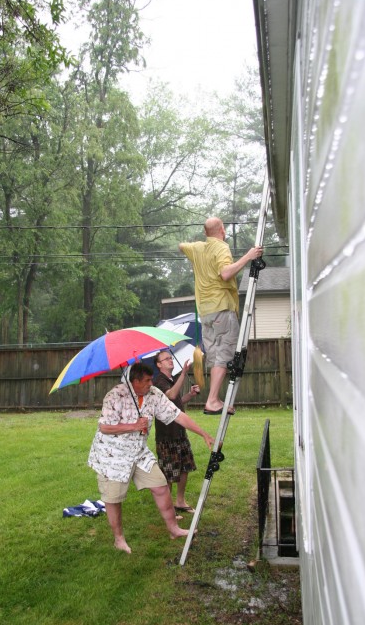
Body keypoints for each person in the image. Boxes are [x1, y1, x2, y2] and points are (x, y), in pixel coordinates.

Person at [88, 362, 214, 554]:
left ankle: (173, 529)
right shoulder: (115, 395)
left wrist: (203, 433)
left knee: (161, 486)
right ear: (135, 381)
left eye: (151, 379)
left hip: (139, 452)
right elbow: (104, 427)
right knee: (113, 498)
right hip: (112, 456)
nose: (150, 383)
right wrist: (133, 426)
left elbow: (177, 415)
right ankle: (119, 539)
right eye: (146, 381)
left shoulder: (154, 394)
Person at [179, 217, 263, 414]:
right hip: (221, 308)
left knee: (216, 356)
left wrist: (197, 248)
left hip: (205, 312)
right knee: (224, 355)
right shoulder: (221, 248)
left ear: (206, 233)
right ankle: (213, 400)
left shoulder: (198, 248)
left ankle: (212, 399)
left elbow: (181, 245)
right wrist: (248, 256)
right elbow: (225, 273)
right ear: (222, 230)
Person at [154, 350, 200, 514]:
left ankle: (180, 501)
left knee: (184, 467)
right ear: (159, 365)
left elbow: (177, 401)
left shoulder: (170, 379)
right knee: (169, 473)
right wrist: (184, 373)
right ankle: (168, 508)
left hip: (179, 431)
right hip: (167, 435)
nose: (170, 360)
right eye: (166, 359)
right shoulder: (158, 381)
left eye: (170, 358)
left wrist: (190, 395)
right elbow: (171, 394)